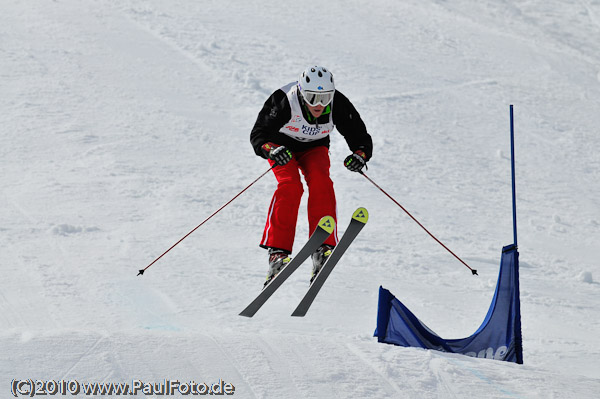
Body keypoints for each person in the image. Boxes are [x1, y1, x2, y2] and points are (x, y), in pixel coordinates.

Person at [250, 66, 373, 286]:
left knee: (321, 181)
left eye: (325, 97)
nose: (319, 104)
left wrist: (360, 155)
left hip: (314, 147)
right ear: (301, 93)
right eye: (313, 97)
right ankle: (277, 251)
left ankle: (322, 246)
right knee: (290, 185)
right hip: (281, 147)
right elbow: (258, 134)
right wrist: (270, 150)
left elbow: (360, 136)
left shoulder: (338, 104)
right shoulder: (284, 100)